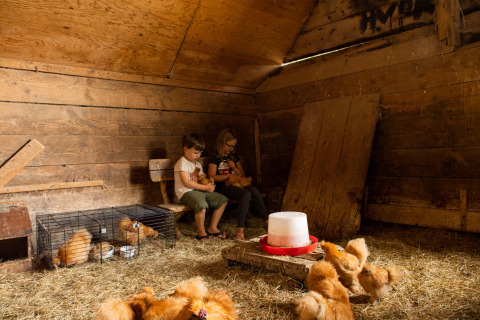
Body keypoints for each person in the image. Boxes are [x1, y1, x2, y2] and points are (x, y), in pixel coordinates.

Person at [208, 129, 269, 241]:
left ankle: (267, 222)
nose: (231, 149)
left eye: (233, 146)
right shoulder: (215, 157)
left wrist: (234, 168)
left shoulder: (233, 157)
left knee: (253, 190)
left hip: (237, 184)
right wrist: (228, 176)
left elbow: (242, 174)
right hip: (223, 186)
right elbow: (212, 176)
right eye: (229, 146)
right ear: (222, 142)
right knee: (246, 193)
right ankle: (240, 230)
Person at [174, 133, 228, 242]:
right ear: (185, 149)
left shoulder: (197, 164)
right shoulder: (182, 163)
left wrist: (207, 184)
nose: (198, 155)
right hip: (186, 192)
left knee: (222, 200)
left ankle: (212, 228)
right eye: (195, 152)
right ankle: (201, 232)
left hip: (198, 191)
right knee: (202, 205)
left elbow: (201, 179)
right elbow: (186, 182)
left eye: (200, 153)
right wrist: (204, 188)